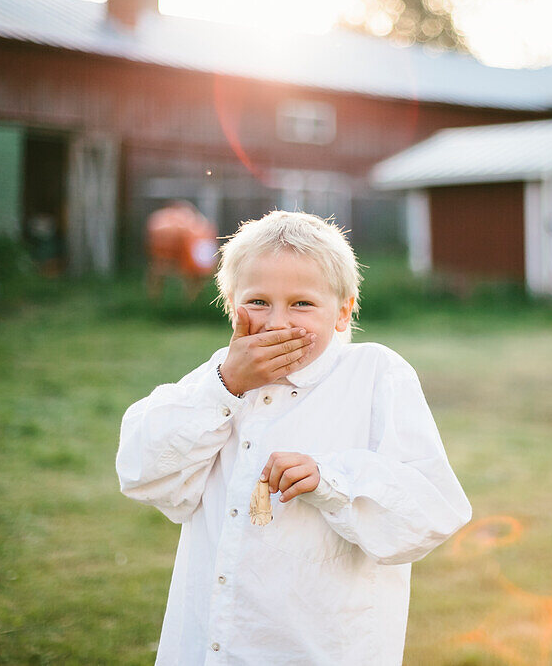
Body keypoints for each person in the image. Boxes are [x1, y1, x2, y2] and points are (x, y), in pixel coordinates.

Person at [116, 210, 472, 665]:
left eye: (302, 304)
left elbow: (431, 510)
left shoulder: (374, 373)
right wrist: (225, 386)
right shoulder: (219, 377)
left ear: (343, 311)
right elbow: (141, 472)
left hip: (320, 646)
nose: (277, 322)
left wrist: (331, 479)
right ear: (231, 304)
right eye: (259, 301)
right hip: (210, 645)